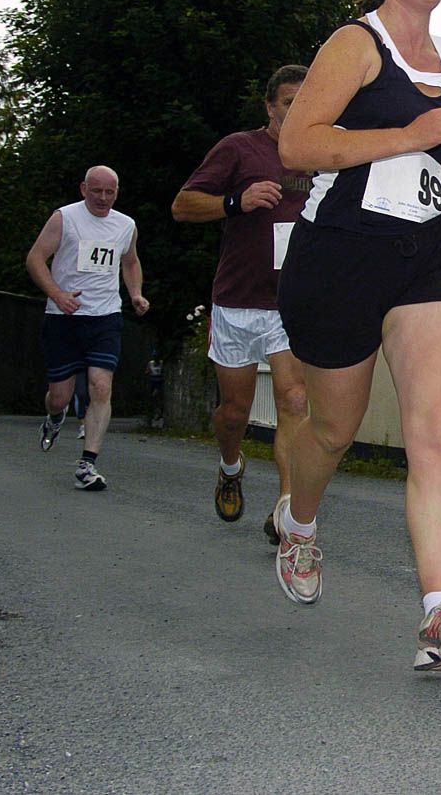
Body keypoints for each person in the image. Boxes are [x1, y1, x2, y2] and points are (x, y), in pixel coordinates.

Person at [273, 0, 441, 672]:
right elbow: (298, 143)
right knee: (332, 430)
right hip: (339, 256)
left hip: (425, 257)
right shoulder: (354, 44)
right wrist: (407, 136)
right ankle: (300, 521)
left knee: (434, 429)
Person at [171, 65, 311, 540]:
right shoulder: (239, 148)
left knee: (295, 399)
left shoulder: (321, 153)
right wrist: (236, 201)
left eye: (306, 101)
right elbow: (182, 205)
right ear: (270, 107)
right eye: (290, 102)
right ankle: (231, 465)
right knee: (235, 412)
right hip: (237, 301)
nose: (298, 110)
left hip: (291, 301)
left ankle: (287, 512)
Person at [25, 165, 150, 490]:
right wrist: (57, 294)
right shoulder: (64, 218)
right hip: (64, 317)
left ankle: (87, 464)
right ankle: (54, 417)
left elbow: (130, 261)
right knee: (60, 396)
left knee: (101, 387)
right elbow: (35, 259)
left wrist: (135, 294)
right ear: (84, 189)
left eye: (110, 192)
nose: (104, 198)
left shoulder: (125, 225)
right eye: (97, 191)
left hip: (105, 317)